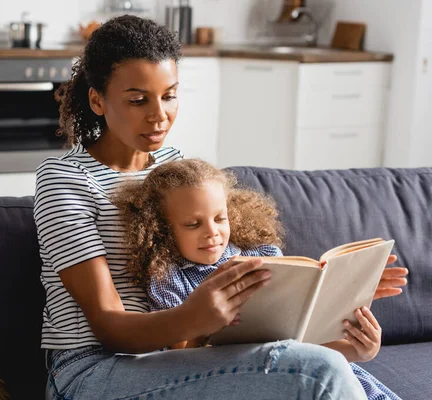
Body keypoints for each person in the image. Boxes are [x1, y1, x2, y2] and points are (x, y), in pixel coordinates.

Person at [33, 14, 408, 399]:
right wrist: (191, 317)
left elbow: (216, 271)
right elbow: (108, 326)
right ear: (97, 99)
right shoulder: (66, 179)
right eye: (137, 100)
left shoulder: (173, 166)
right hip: (94, 370)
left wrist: (339, 294)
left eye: (169, 95)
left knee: (317, 365)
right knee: (318, 373)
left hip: (182, 356)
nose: (159, 115)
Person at [111, 157, 403, 400]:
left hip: (310, 369)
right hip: (250, 379)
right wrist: (207, 320)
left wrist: (360, 349)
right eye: (192, 224)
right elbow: (186, 359)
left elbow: (303, 346)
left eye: (220, 218)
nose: (212, 232)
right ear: (161, 230)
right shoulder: (168, 278)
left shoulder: (264, 256)